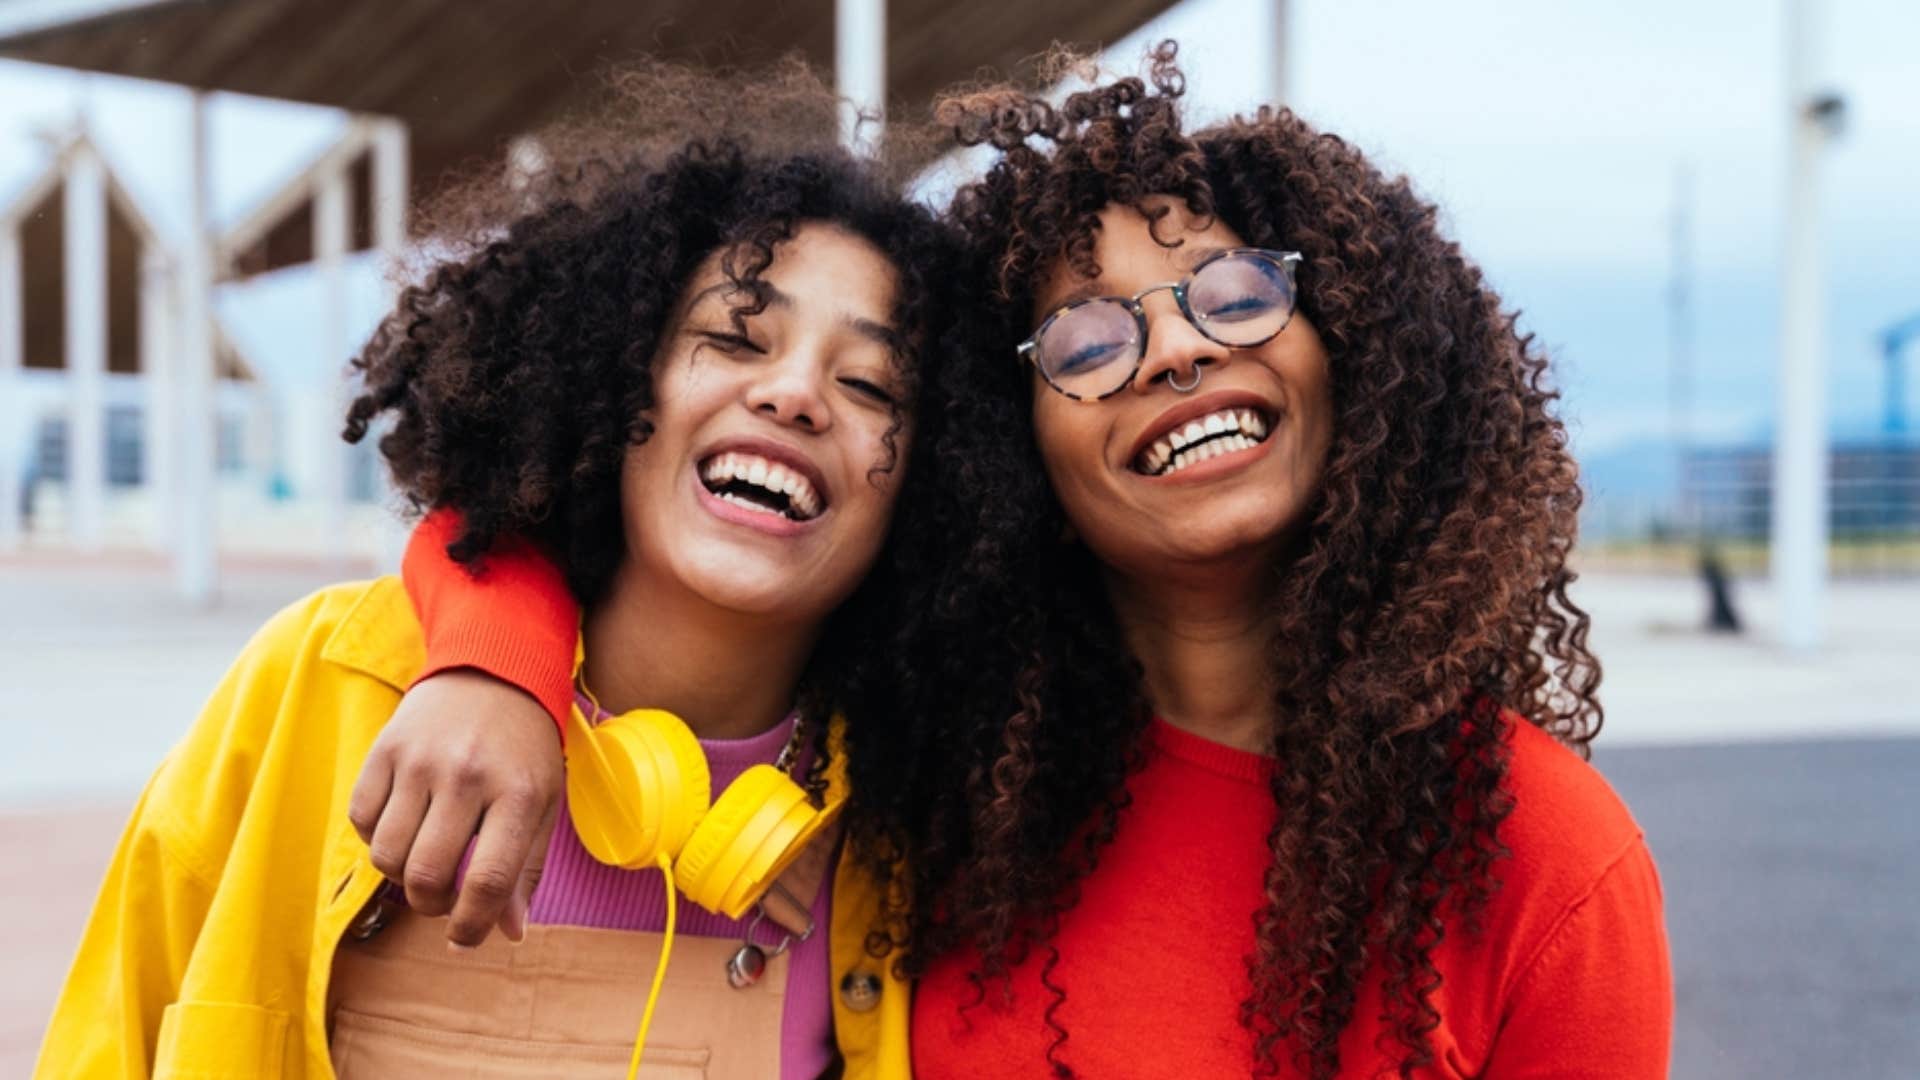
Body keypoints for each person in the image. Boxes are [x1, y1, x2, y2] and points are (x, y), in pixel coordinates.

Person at [358, 43, 1672, 1079]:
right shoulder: (937, 775)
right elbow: (577, 548)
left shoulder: (1546, 859)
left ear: (1361, 347)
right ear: (1005, 447)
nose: (1172, 353)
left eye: (1234, 296)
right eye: (1087, 339)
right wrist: (495, 660)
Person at [35, 61, 965, 1080]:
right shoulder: (323, 686)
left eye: (872, 382)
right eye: (734, 337)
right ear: (612, 380)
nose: (794, 394)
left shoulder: (912, 819)